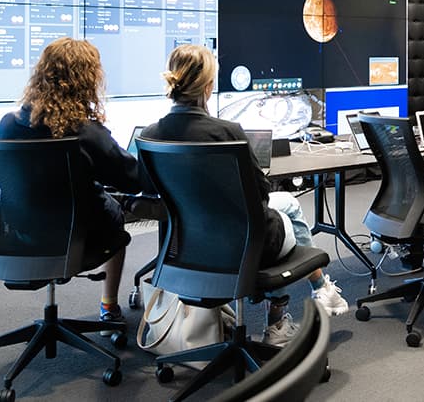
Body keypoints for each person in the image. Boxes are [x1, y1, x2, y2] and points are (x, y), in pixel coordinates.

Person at [139, 44, 348, 344]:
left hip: (185, 248)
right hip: (244, 246)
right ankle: (281, 318)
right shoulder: (228, 132)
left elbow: (150, 192)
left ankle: (320, 289)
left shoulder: (150, 135)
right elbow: (259, 198)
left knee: (287, 203)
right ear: (208, 88)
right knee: (284, 209)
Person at [0, 37, 143, 331]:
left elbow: (4, 179)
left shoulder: (9, 123)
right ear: (87, 79)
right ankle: (109, 306)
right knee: (114, 212)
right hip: (79, 239)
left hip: (22, 234)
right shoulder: (85, 133)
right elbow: (132, 179)